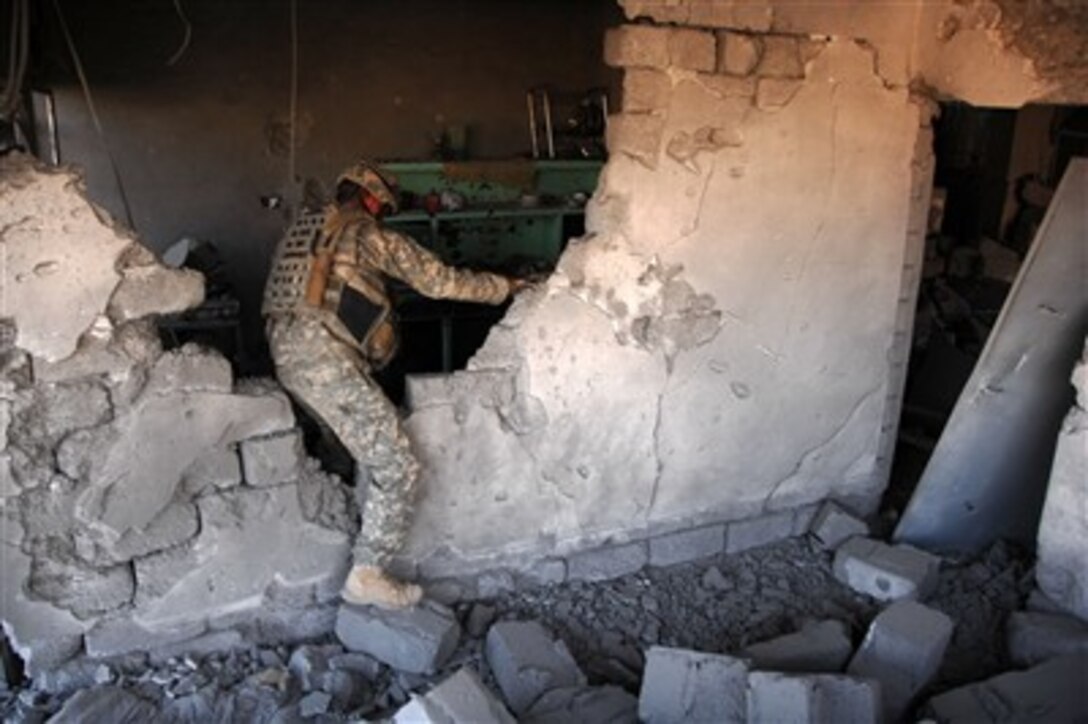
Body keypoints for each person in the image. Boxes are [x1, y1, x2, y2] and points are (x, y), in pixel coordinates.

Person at [262, 161, 526, 609]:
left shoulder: (302, 230)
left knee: (343, 447)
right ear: (371, 199)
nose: (382, 214)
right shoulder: (368, 235)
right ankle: (367, 573)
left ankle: (342, 525)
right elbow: (441, 282)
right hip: (326, 362)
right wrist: (506, 287)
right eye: (382, 206)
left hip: (286, 355)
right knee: (396, 464)